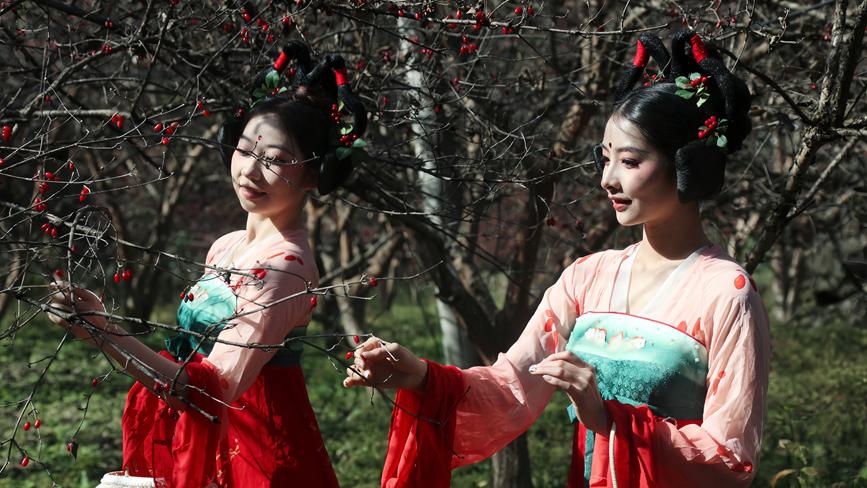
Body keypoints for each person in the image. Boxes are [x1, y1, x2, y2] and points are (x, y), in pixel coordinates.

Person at [344, 32, 769, 487]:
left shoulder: (726, 292)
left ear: (686, 161)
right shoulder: (587, 279)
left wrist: (607, 420)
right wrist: (422, 376)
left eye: (629, 161)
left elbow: (728, 456)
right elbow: (511, 387)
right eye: (604, 159)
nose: (607, 179)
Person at [45, 42, 367, 487]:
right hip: (206, 444)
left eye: (275, 160)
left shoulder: (285, 270)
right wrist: (102, 329)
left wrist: (106, 332)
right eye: (245, 150)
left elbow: (208, 390)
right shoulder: (227, 246)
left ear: (315, 174)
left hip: (257, 459)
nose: (250, 172)